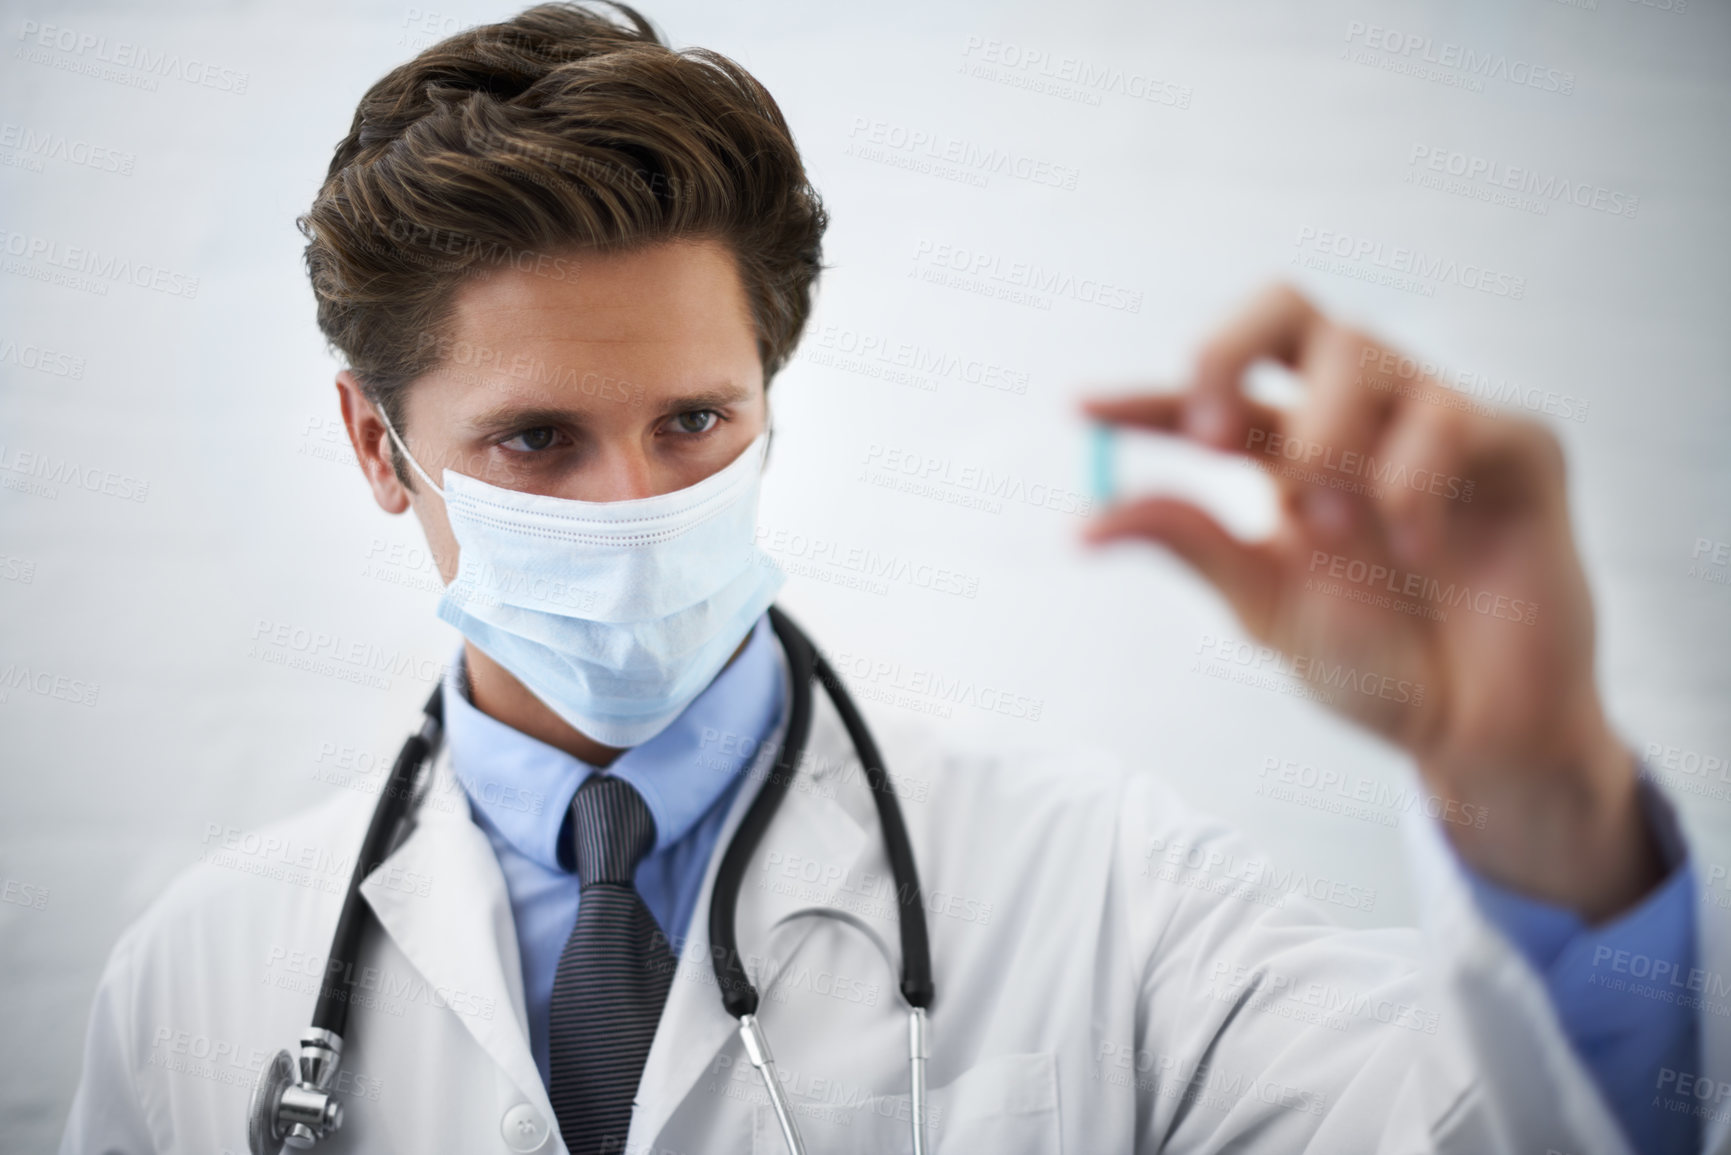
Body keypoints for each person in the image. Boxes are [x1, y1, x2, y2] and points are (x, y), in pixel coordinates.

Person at [60, 4, 1717, 1153]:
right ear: (376, 447)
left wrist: (1541, 793)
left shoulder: (1104, 891)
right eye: (538, 443)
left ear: (772, 397)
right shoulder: (206, 977)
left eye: (696, 419)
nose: (637, 501)